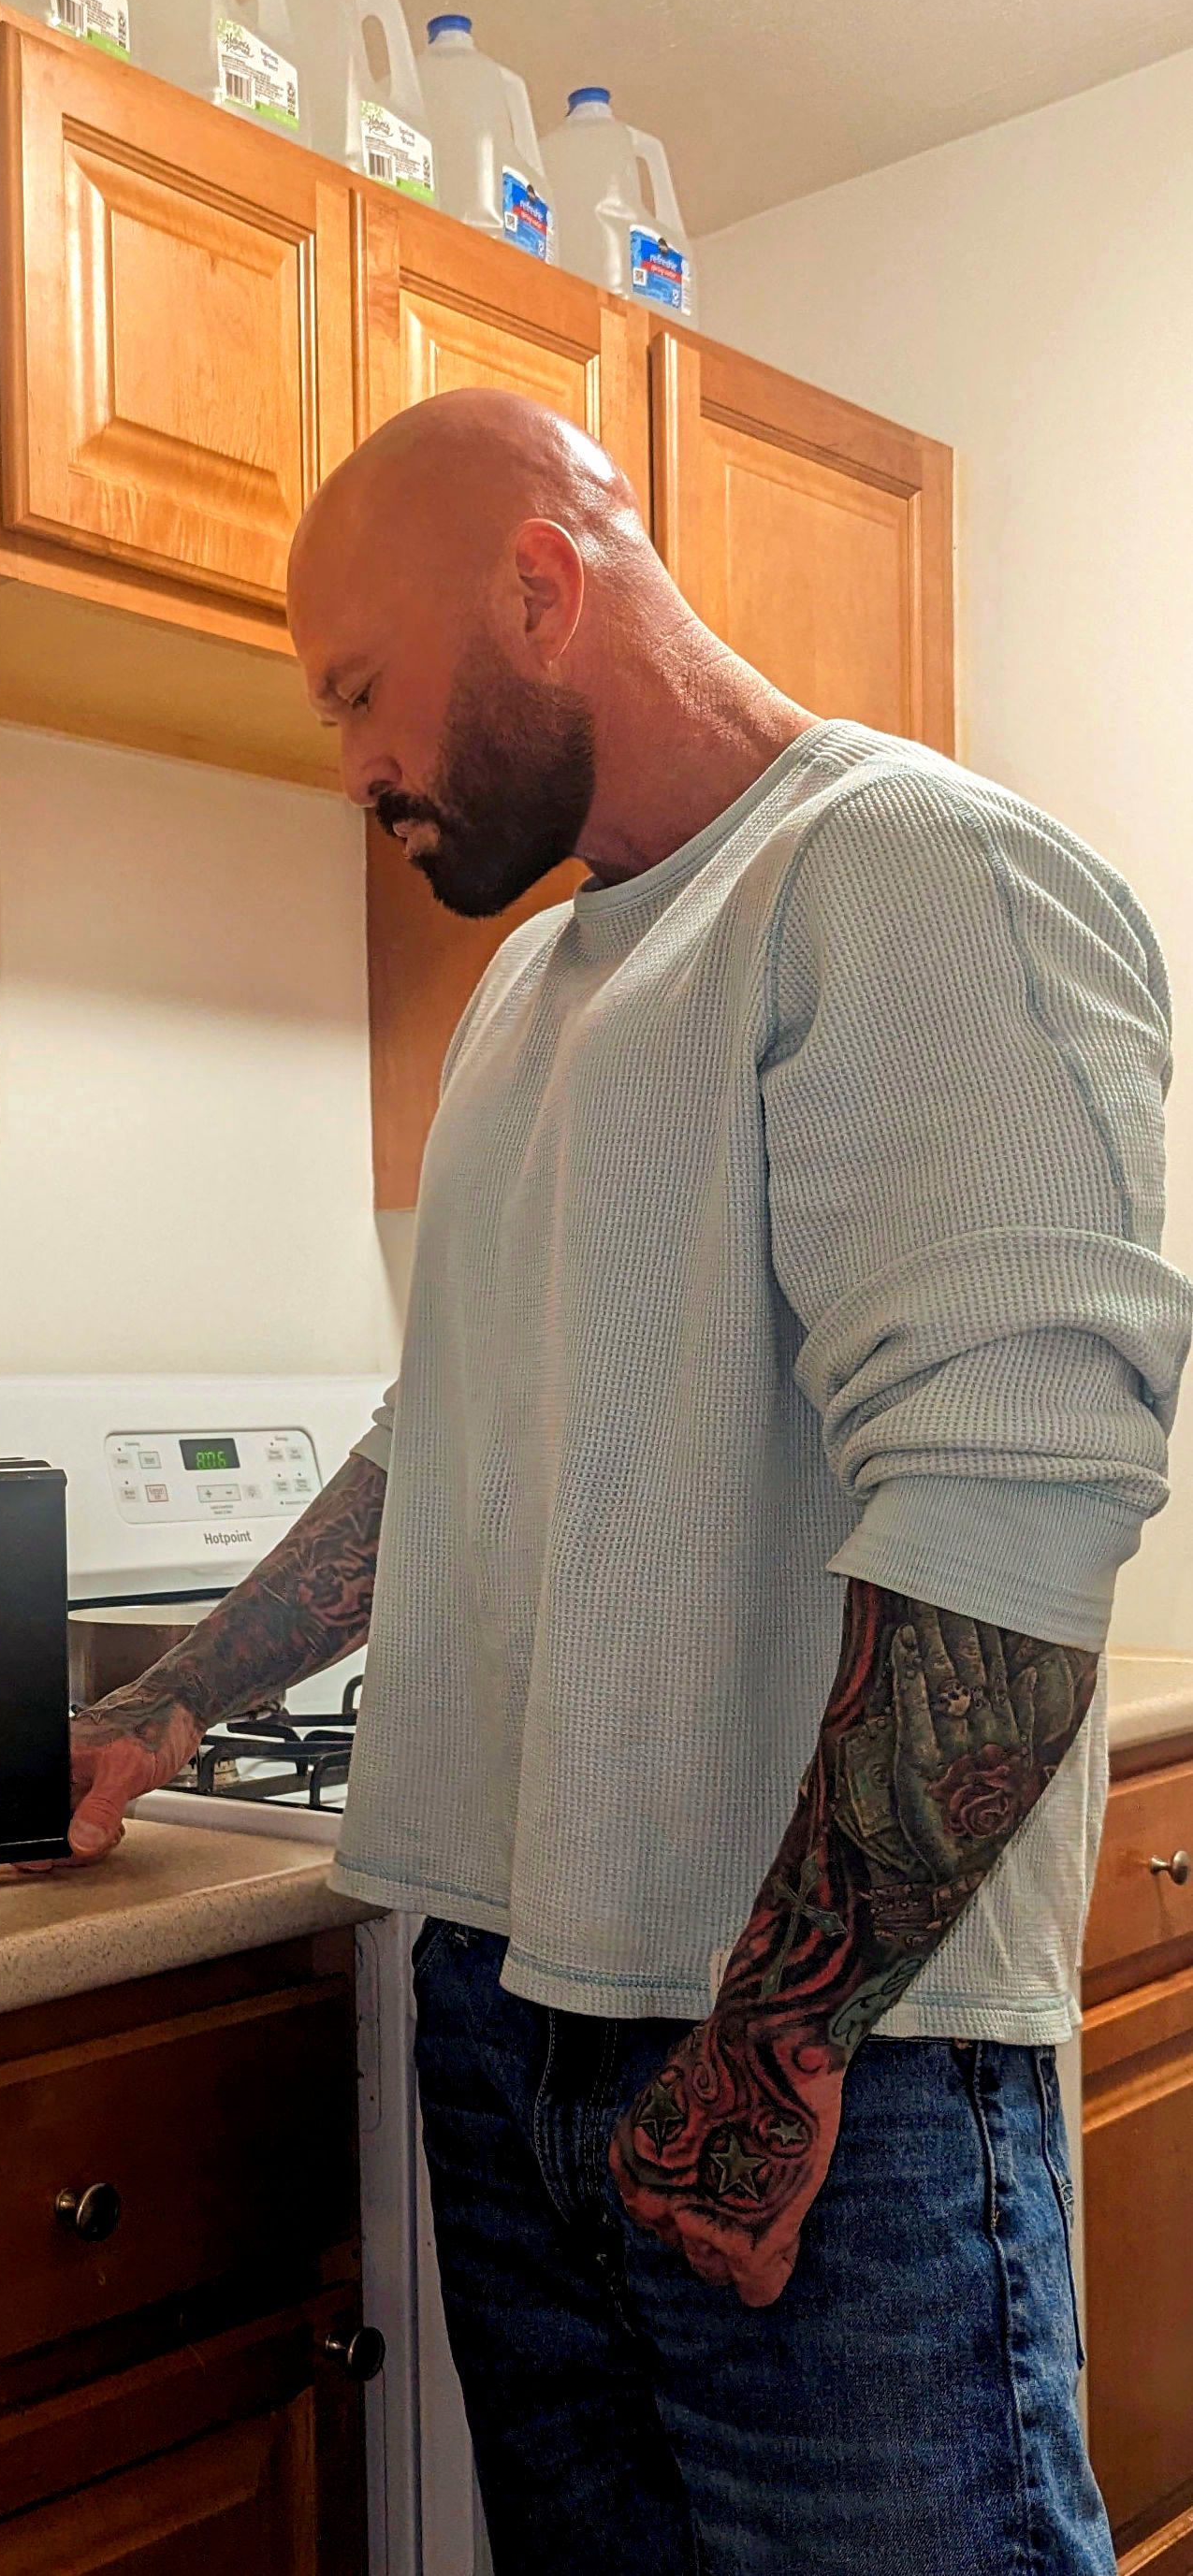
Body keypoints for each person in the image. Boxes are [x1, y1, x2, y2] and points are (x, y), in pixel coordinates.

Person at [63, 390, 1191, 2573]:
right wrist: (179, 1689)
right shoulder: (528, 986)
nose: (352, 765)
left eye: (359, 692)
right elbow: (449, 1438)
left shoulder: (913, 869)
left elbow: (1014, 1506)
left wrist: (776, 2048)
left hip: (823, 2063)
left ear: (541, 585)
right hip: (508, 2018)